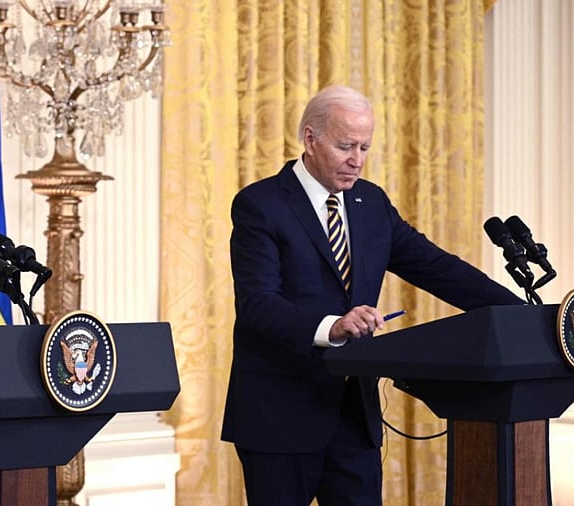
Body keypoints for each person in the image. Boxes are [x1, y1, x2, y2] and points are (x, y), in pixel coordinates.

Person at [220, 85, 524, 505]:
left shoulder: (371, 203)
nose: (357, 160)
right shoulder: (261, 204)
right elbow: (257, 303)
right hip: (280, 416)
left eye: (365, 147)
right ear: (310, 139)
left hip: (353, 419)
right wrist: (333, 327)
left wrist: (521, 313)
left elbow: (437, 268)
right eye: (346, 146)